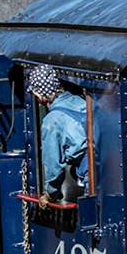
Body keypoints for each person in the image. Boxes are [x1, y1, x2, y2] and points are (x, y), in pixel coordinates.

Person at [28, 64, 89, 199]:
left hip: (90, 175)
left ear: (39, 96)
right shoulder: (81, 100)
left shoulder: (52, 121)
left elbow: (53, 164)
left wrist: (51, 192)